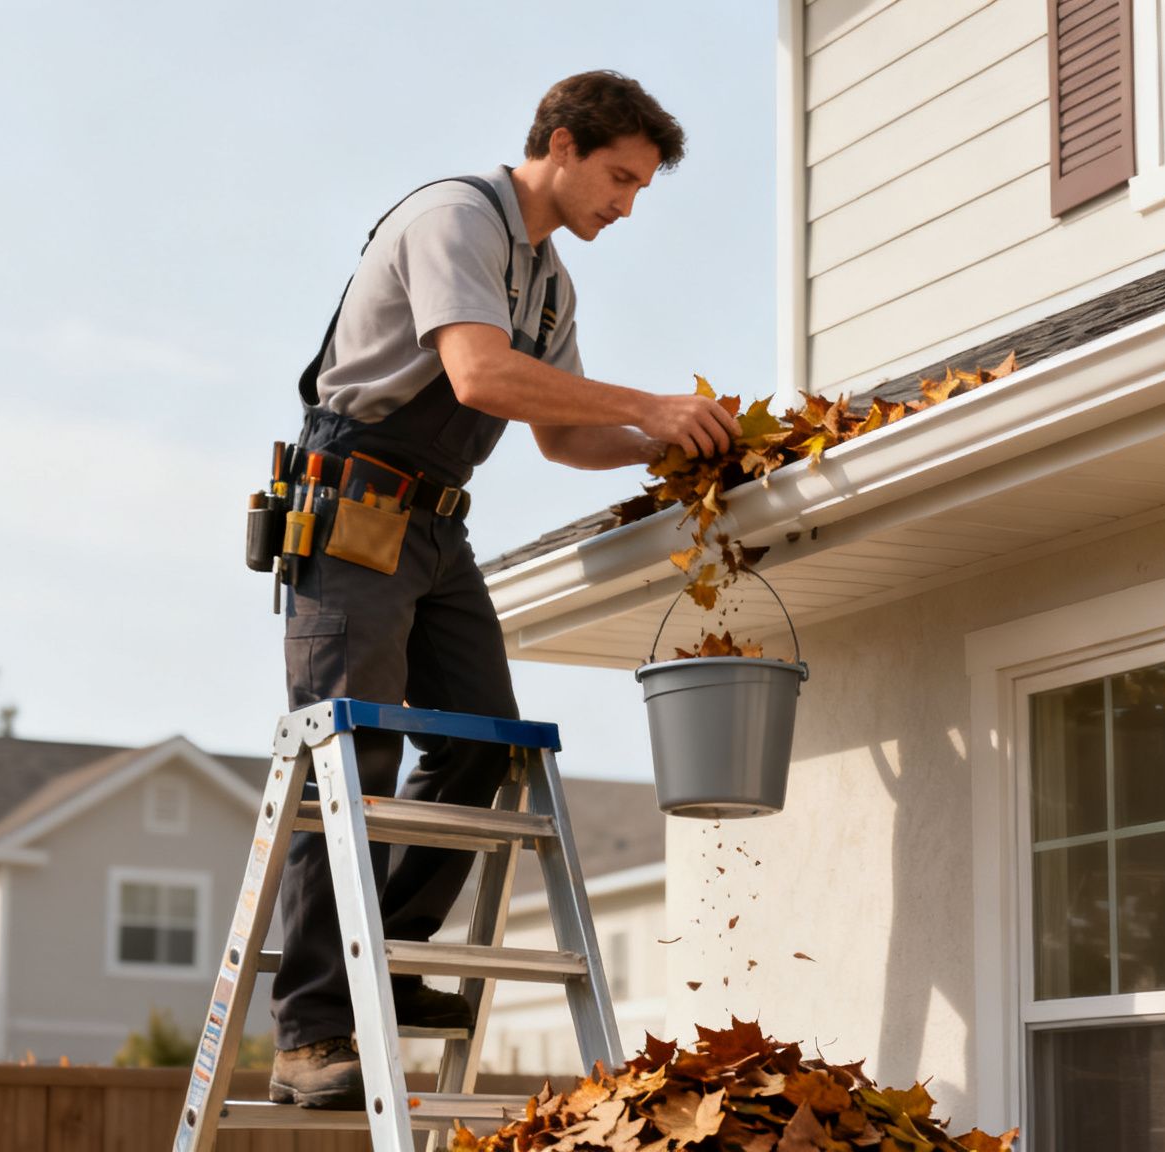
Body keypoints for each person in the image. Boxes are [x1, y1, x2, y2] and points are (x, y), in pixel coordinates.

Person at [269, 71, 737, 1108]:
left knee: (481, 744)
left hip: (436, 522)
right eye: (617, 177)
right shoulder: (454, 220)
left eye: (639, 189)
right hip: (352, 503)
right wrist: (653, 407)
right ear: (560, 146)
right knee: (349, 753)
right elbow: (479, 377)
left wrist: (681, 452)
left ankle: (379, 960)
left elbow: (565, 437)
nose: (624, 204)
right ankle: (308, 1032)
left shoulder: (551, 285)